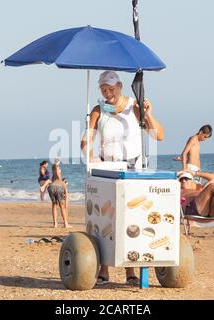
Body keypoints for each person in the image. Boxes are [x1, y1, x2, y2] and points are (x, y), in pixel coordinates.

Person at [80, 70, 165, 285]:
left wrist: (149, 114)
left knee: (132, 220)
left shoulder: (134, 107)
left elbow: (159, 136)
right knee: (105, 219)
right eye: (103, 90)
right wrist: (90, 154)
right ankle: (104, 270)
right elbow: (86, 140)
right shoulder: (99, 110)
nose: (108, 93)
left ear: (120, 86)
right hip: (107, 168)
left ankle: (131, 272)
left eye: (111, 89)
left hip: (132, 169)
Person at [46, 163, 71, 228]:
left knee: (54, 205)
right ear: (57, 169)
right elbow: (59, 180)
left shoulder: (52, 174)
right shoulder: (58, 173)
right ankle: (65, 224)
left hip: (51, 187)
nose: (59, 169)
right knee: (62, 206)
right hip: (58, 187)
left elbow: (51, 181)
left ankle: (55, 224)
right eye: (59, 168)